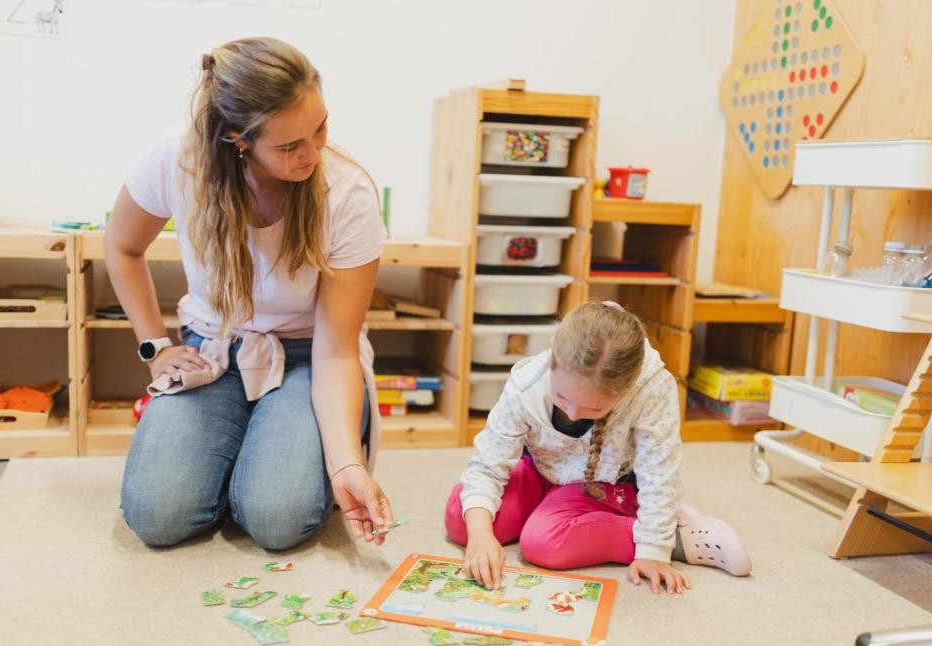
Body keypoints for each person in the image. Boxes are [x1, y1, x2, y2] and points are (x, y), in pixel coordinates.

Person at [104, 37, 392, 551]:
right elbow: (122, 246)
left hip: (310, 358)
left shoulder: (347, 194)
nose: (313, 153)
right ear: (237, 137)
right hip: (210, 349)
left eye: (320, 127)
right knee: (157, 516)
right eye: (288, 146)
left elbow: (338, 349)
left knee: (277, 521)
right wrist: (155, 348)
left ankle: (266, 451)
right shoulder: (178, 158)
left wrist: (346, 463)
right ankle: (244, 445)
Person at [445, 301, 752, 593]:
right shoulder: (526, 383)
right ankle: (553, 513)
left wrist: (654, 548)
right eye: (562, 397)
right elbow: (488, 465)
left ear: (627, 388)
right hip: (541, 470)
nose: (573, 413)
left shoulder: (652, 388)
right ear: (553, 355)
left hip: (603, 484)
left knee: (543, 544)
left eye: (593, 409)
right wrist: (480, 536)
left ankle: (677, 536)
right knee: (463, 517)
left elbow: (659, 474)